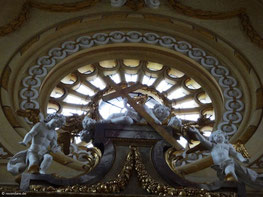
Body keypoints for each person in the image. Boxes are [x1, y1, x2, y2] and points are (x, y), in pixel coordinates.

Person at [190, 128, 263, 189]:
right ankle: (232, 184)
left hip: (228, 162)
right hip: (219, 166)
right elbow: (203, 141)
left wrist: (242, 159)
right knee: (224, 177)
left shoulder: (228, 146)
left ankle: (234, 184)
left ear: (225, 137)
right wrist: (197, 132)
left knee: (230, 171)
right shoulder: (213, 146)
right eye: (215, 136)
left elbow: (236, 154)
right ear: (213, 139)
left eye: (220, 135)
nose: (218, 136)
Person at [101, 97, 170, 125]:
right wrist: (125, 105)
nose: (160, 111)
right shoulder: (146, 108)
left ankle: (106, 124)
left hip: (133, 122)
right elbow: (135, 109)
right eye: (161, 109)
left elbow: (156, 121)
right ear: (157, 106)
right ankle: (104, 124)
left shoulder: (154, 118)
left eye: (162, 113)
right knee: (112, 115)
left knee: (126, 119)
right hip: (127, 114)